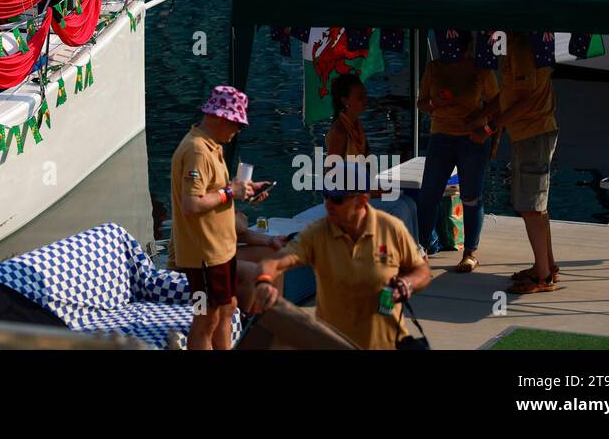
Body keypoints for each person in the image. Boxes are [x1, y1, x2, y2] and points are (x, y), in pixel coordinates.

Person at [246, 164, 432, 349]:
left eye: (336, 199)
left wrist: (407, 284)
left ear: (362, 200)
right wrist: (263, 281)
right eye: (325, 196)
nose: (327, 204)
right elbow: (275, 261)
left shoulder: (392, 228)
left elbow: (422, 270)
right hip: (335, 344)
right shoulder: (317, 234)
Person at [169, 84, 270, 350]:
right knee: (206, 318)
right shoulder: (197, 151)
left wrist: (242, 191)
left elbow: (215, 194)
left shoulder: (212, 147)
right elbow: (191, 204)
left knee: (227, 306)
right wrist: (229, 192)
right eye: (236, 125)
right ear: (218, 118)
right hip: (203, 256)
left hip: (219, 251)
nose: (237, 131)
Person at [469, 32, 560, 294]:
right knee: (535, 207)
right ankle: (546, 266)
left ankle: (542, 278)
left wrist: (488, 128)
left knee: (531, 207)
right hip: (526, 134)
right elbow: (509, 94)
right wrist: (482, 114)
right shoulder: (512, 46)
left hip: (534, 132)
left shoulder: (520, 48)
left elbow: (525, 100)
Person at [415, 35, 499, 272]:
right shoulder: (434, 67)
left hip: (472, 138)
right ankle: (422, 249)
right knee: (428, 194)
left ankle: (470, 252)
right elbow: (421, 104)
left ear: (466, 46)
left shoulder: (479, 68)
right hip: (441, 136)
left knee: (471, 196)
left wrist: (492, 138)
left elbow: (497, 102)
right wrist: (435, 102)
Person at [324, 75, 420, 245]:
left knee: (410, 202)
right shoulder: (339, 131)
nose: (365, 100)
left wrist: (378, 188)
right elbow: (333, 177)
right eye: (360, 97)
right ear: (345, 100)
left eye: (365, 95)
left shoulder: (356, 127)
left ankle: (414, 254)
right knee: (400, 207)